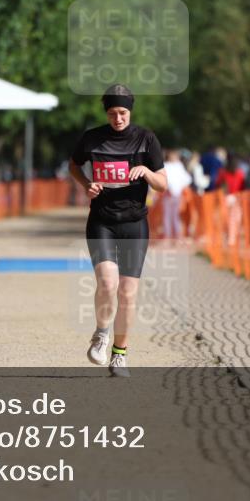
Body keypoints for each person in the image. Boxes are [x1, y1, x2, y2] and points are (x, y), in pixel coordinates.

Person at [69, 84, 167, 377]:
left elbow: (163, 184)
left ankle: (120, 354)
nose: (118, 118)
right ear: (106, 113)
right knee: (108, 283)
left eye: (123, 112)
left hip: (135, 223)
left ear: (130, 111)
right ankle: (101, 334)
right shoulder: (92, 138)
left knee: (127, 292)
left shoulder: (146, 139)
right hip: (102, 221)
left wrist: (146, 172)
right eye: (112, 113)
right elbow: (74, 165)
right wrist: (86, 184)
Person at [215, 154, 246, 247]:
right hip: (236, 198)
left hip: (226, 198)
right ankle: (231, 239)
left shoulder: (222, 172)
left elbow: (217, 184)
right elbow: (243, 186)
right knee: (234, 219)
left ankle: (229, 237)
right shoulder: (240, 173)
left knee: (227, 219)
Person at [162, 149, 192, 240]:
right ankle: (167, 235)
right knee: (167, 215)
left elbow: (186, 179)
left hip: (177, 195)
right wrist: (168, 188)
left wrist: (180, 188)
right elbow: (164, 179)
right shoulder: (165, 165)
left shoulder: (179, 165)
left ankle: (177, 235)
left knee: (176, 215)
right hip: (167, 194)